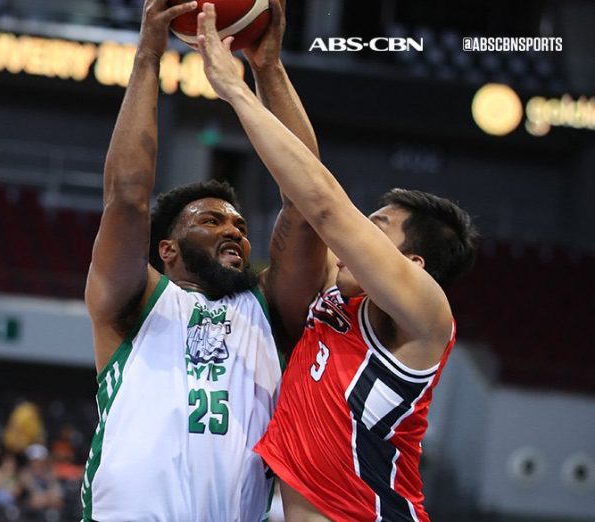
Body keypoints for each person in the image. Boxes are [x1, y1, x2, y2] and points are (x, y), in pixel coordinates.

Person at [196, 4, 479, 521]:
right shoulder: (339, 294)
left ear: (412, 264)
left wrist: (233, 89)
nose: (356, 238)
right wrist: (267, 69)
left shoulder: (424, 312)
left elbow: (326, 205)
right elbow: (305, 191)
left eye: (377, 228)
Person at [80, 0, 326, 520]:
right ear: (166, 249)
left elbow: (308, 201)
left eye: (239, 224)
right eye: (211, 221)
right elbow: (127, 196)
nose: (234, 230)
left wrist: (268, 69)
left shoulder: (271, 308)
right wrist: (148, 53)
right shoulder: (137, 300)